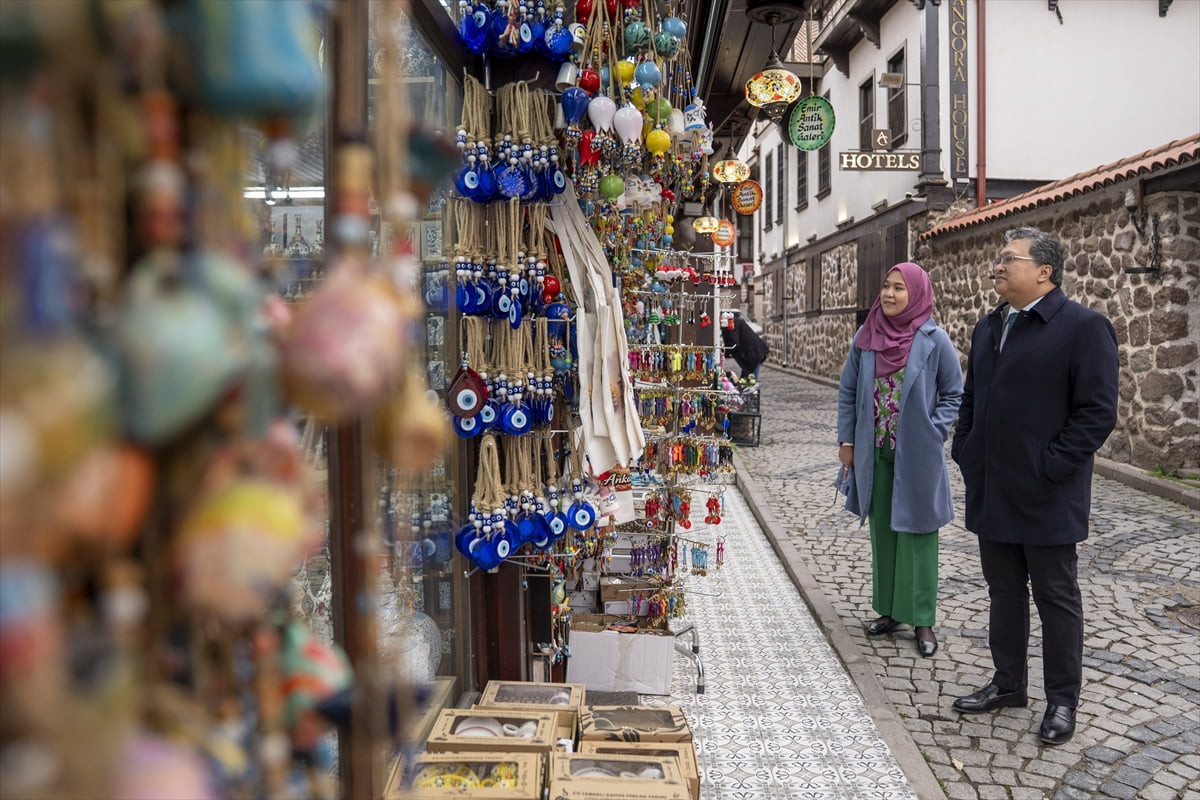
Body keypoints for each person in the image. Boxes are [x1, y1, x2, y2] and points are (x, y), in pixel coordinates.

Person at [950, 227, 1118, 746]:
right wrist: (968, 450)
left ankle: (1062, 700)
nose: (997, 267)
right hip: (992, 487)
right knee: (1003, 591)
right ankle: (1008, 684)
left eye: (1009, 259)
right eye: (998, 260)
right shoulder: (988, 327)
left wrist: (1049, 467)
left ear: (1044, 271)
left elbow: (1096, 414)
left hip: (1047, 493)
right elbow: (972, 398)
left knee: (1056, 596)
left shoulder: (1084, 328)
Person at [836, 262, 963, 658]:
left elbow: (954, 394)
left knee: (919, 534)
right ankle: (890, 611)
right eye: (886, 286)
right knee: (884, 534)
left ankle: (922, 619)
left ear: (917, 294)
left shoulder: (934, 339)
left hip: (918, 455)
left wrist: (933, 428)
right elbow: (847, 391)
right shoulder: (866, 336)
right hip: (875, 451)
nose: (889, 295)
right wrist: (847, 440)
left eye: (899, 289)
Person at [720, 312, 769, 381]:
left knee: (750, 381)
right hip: (751, 354)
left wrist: (722, 355)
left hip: (752, 354)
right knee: (746, 380)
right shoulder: (731, 322)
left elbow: (733, 343)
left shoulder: (730, 325)